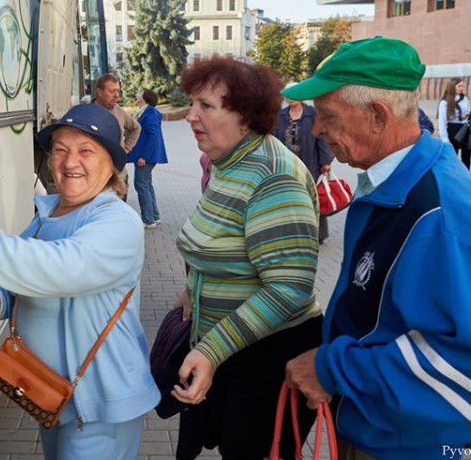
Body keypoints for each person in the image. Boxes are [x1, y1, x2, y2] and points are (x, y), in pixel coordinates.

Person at [283, 37, 471, 459]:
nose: (317, 129)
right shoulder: (397, 182)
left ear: (377, 116)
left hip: (403, 445)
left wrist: (331, 369)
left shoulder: (439, 214)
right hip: (380, 428)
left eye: (328, 116)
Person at [0, 103, 159, 459]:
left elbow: (62, 268)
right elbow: (25, 275)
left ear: (110, 162)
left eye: (85, 151)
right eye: (60, 150)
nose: (70, 162)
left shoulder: (119, 222)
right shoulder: (48, 212)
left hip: (100, 405)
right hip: (53, 394)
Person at [166, 55, 323, 459]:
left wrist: (211, 349)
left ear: (246, 117)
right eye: (193, 103)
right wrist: (192, 290)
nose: (191, 116)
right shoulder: (228, 162)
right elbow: (217, 242)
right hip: (233, 350)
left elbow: (289, 288)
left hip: (268, 359)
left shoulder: (273, 176)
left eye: (206, 106)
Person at [275, 93, 334, 242]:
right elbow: (274, 138)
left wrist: (325, 161)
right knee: (289, 196)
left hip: (310, 163)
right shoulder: (280, 115)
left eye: (295, 94)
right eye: (289, 95)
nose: (291, 98)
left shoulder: (312, 113)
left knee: (312, 197)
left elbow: (322, 137)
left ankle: (318, 234)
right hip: (287, 164)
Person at [128, 89, 168, 228]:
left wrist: (144, 156)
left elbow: (154, 136)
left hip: (146, 157)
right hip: (143, 156)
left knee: (141, 185)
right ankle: (154, 216)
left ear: (145, 98)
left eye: (139, 93)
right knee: (146, 185)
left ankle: (148, 220)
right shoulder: (143, 111)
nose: (137, 95)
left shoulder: (150, 113)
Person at [438, 78, 471, 167]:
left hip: (465, 129)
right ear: (453, 87)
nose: (461, 88)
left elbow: (469, 111)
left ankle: (466, 177)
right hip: (453, 129)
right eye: (459, 86)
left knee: (467, 156)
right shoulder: (444, 102)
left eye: (462, 86)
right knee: (453, 157)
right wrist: (445, 140)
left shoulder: (464, 98)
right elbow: (442, 122)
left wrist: (466, 114)